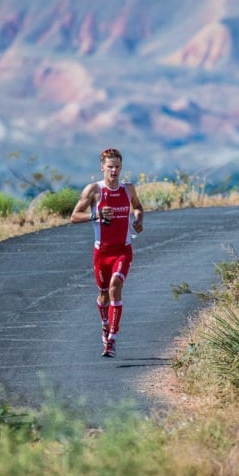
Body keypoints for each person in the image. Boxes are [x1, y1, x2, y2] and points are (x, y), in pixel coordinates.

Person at [70, 148, 145, 357]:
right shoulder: (94, 190)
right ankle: (105, 323)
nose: (114, 171)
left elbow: (138, 207)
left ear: (121, 167)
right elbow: (74, 216)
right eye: (110, 167)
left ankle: (111, 338)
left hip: (123, 250)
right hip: (102, 252)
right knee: (103, 295)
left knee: (115, 287)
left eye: (117, 167)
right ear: (102, 167)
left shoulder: (128, 189)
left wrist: (139, 220)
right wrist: (96, 215)